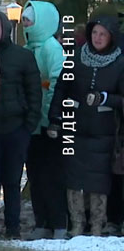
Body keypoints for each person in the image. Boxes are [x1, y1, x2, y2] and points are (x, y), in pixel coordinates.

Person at [50, 15, 124, 237]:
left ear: (111, 37)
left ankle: (97, 226)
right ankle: (76, 225)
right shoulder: (76, 58)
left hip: (104, 131)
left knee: (99, 181)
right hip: (75, 127)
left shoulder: (120, 63)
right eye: (94, 33)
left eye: (103, 34)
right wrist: (56, 118)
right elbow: (61, 89)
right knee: (73, 178)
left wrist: (104, 98)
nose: (98, 38)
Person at [0, 10, 41, 239]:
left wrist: (28, 125)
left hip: (16, 128)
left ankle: (13, 228)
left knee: (12, 182)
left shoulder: (22, 56)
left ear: (4, 28)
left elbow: (34, 92)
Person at [21, 0, 68, 240]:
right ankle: (42, 222)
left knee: (53, 174)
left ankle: (59, 222)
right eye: (24, 20)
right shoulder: (28, 48)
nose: (25, 24)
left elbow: (58, 83)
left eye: (29, 20)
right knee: (35, 174)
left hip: (49, 124)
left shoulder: (51, 47)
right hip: (31, 124)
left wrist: (52, 116)